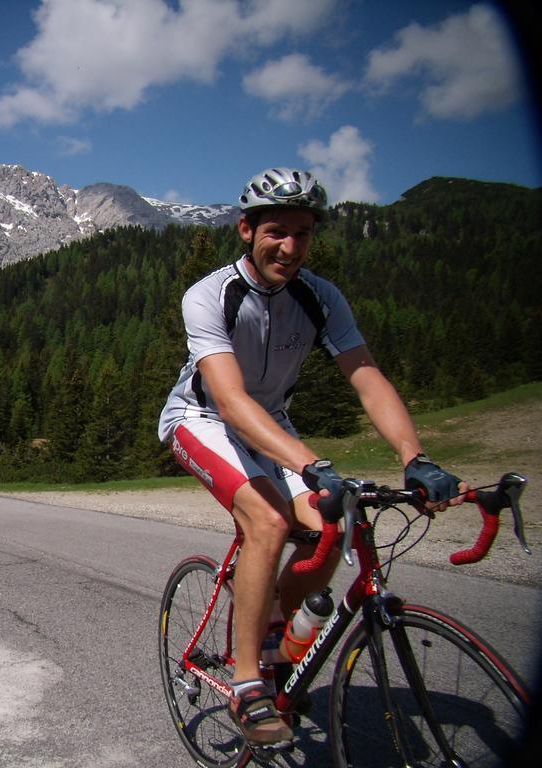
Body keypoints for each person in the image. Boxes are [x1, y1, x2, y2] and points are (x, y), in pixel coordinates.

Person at [157, 167, 464, 748]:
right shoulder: (210, 294)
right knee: (268, 521)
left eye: (303, 233)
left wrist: (414, 456)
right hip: (204, 419)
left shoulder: (320, 297)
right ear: (246, 230)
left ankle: (277, 636)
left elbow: (367, 377)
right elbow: (229, 397)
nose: (291, 247)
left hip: (272, 423)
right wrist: (310, 463)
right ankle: (249, 681)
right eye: (277, 231)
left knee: (331, 523)